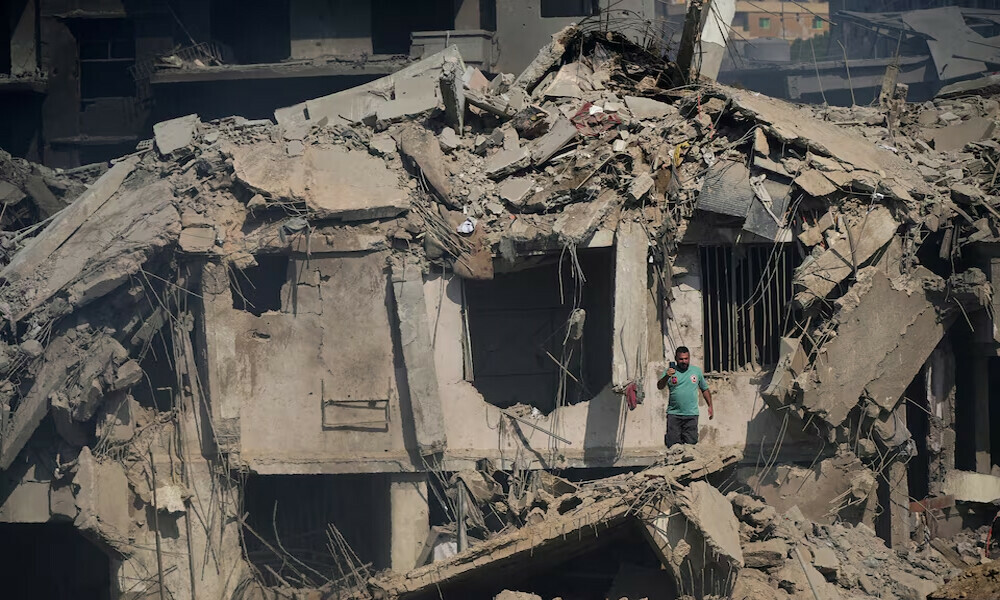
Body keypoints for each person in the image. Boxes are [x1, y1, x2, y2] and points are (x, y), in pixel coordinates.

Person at [656, 346, 713, 446]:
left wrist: (710, 406)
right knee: (673, 446)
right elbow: (660, 386)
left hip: (691, 415)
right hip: (674, 414)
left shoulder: (696, 371)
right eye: (681, 359)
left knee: (691, 446)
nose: (684, 361)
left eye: (686, 358)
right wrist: (667, 376)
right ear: (676, 359)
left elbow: (705, 389)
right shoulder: (669, 372)